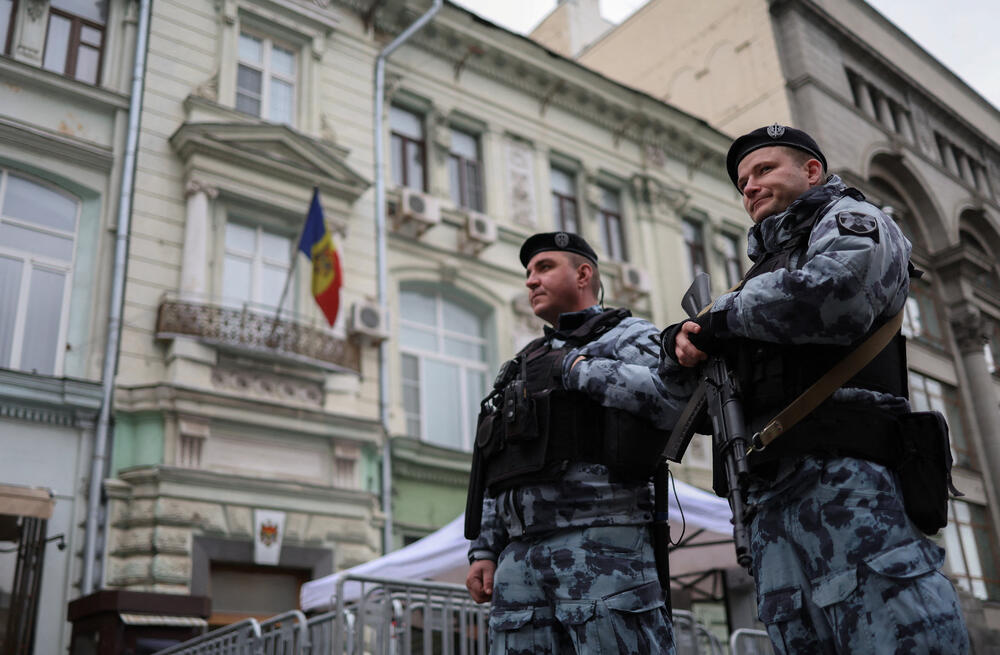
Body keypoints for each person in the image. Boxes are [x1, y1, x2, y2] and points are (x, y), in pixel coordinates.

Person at [662, 124, 969, 653]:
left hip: (845, 475)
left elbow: (840, 293)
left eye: (764, 170)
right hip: (769, 490)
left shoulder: (855, 222)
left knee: (896, 630)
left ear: (811, 171)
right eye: (742, 181)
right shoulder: (760, 274)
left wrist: (720, 319)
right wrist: (681, 343)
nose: (750, 187)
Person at [465, 232, 681, 654]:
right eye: (528, 272)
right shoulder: (523, 362)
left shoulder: (626, 334)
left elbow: (670, 398)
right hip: (519, 556)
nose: (530, 280)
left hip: (603, 540)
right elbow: (501, 463)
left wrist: (577, 369)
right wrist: (484, 550)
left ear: (584, 274)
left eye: (544, 267)